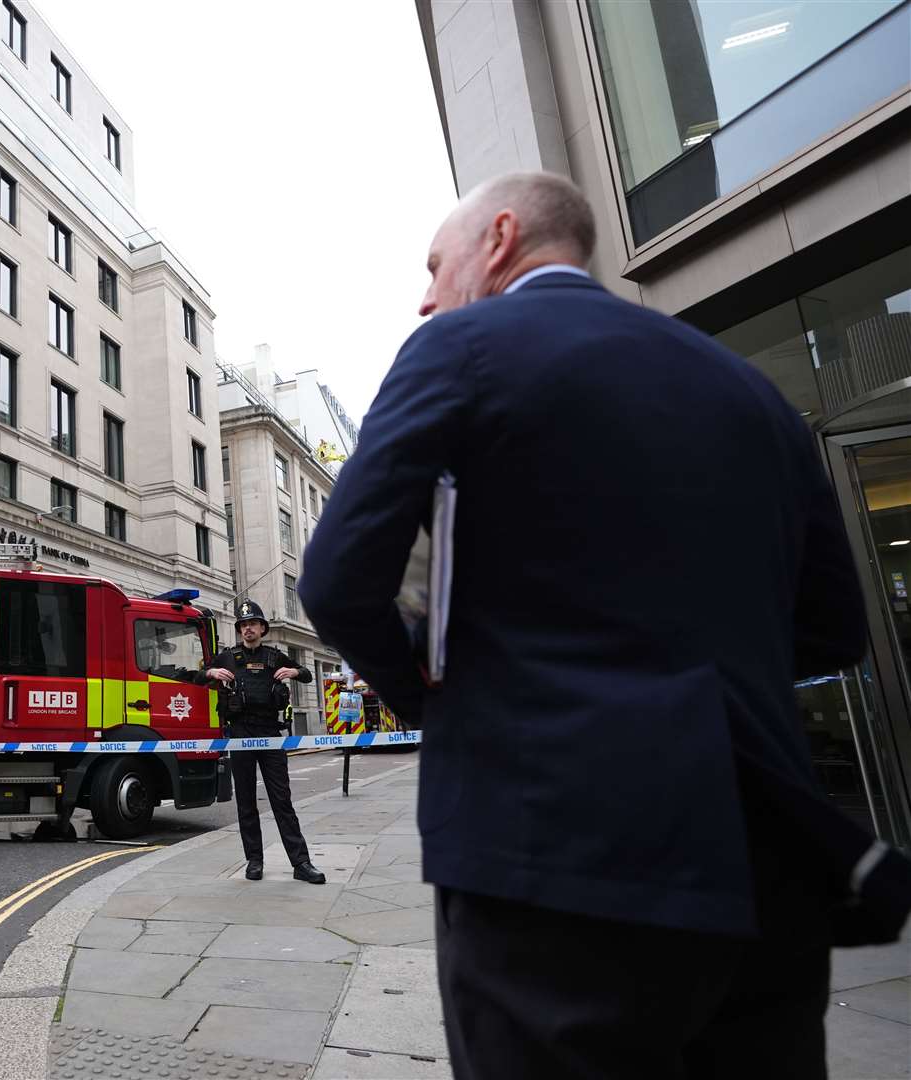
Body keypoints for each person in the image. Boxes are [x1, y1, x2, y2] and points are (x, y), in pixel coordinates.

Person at [298, 171, 909, 1079]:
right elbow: (832, 633)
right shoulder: (753, 394)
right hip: (764, 861)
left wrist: (442, 704)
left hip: (553, 855)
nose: (426, 295)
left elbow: (341, 580)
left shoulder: (458, 348)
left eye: (436, 264)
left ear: (500, 238)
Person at [205, 600, 325, 884]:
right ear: (240, 630)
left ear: (262, 628)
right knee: (246, 802)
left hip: (271, 734)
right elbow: (199, 676)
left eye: (252, 624)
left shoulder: (275, 656)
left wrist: (295, 672)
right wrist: (211, 673)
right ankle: (254, 861)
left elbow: (307, 675)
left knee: (282, 800)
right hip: (240, 734)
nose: (248, 629)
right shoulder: (228, 657)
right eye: (243, 625)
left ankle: (301, 863)